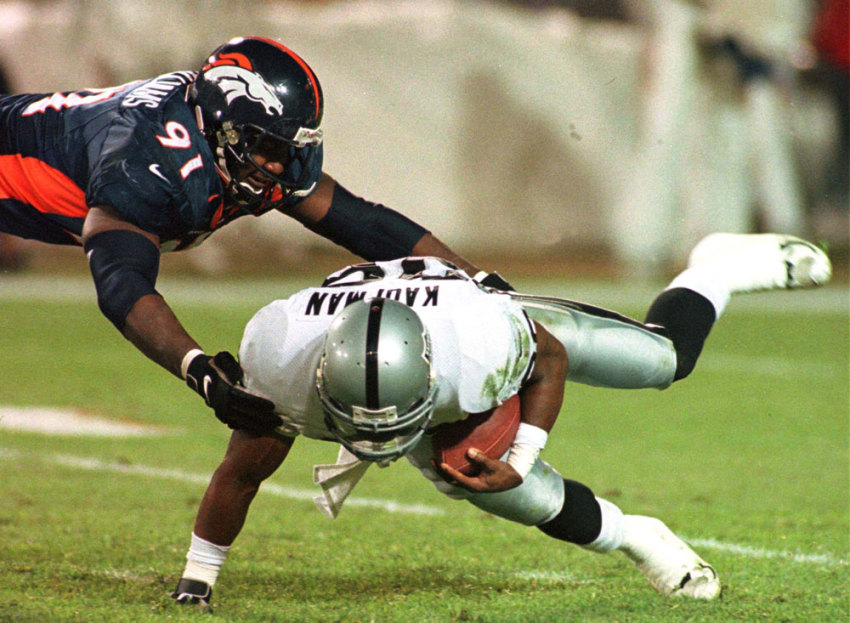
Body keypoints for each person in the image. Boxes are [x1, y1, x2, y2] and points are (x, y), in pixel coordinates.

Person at [169, 232, 831, 610]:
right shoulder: (279, 360)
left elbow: (550, 357)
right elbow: (242, 471)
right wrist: (196, 581)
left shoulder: (479, 342)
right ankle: (637, 536)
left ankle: (718, 264)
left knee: (664, 358)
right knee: (486, 481)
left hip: (491, 317)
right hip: (393, 359)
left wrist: (524, 447)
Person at [0, 36, 499, 434]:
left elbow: (363, 222)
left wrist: (478, 282)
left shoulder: (228, 144)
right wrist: (197, 369)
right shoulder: (146, 160)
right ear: (223, 129)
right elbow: (120, 283)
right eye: (267, 147)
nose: (281, 165)